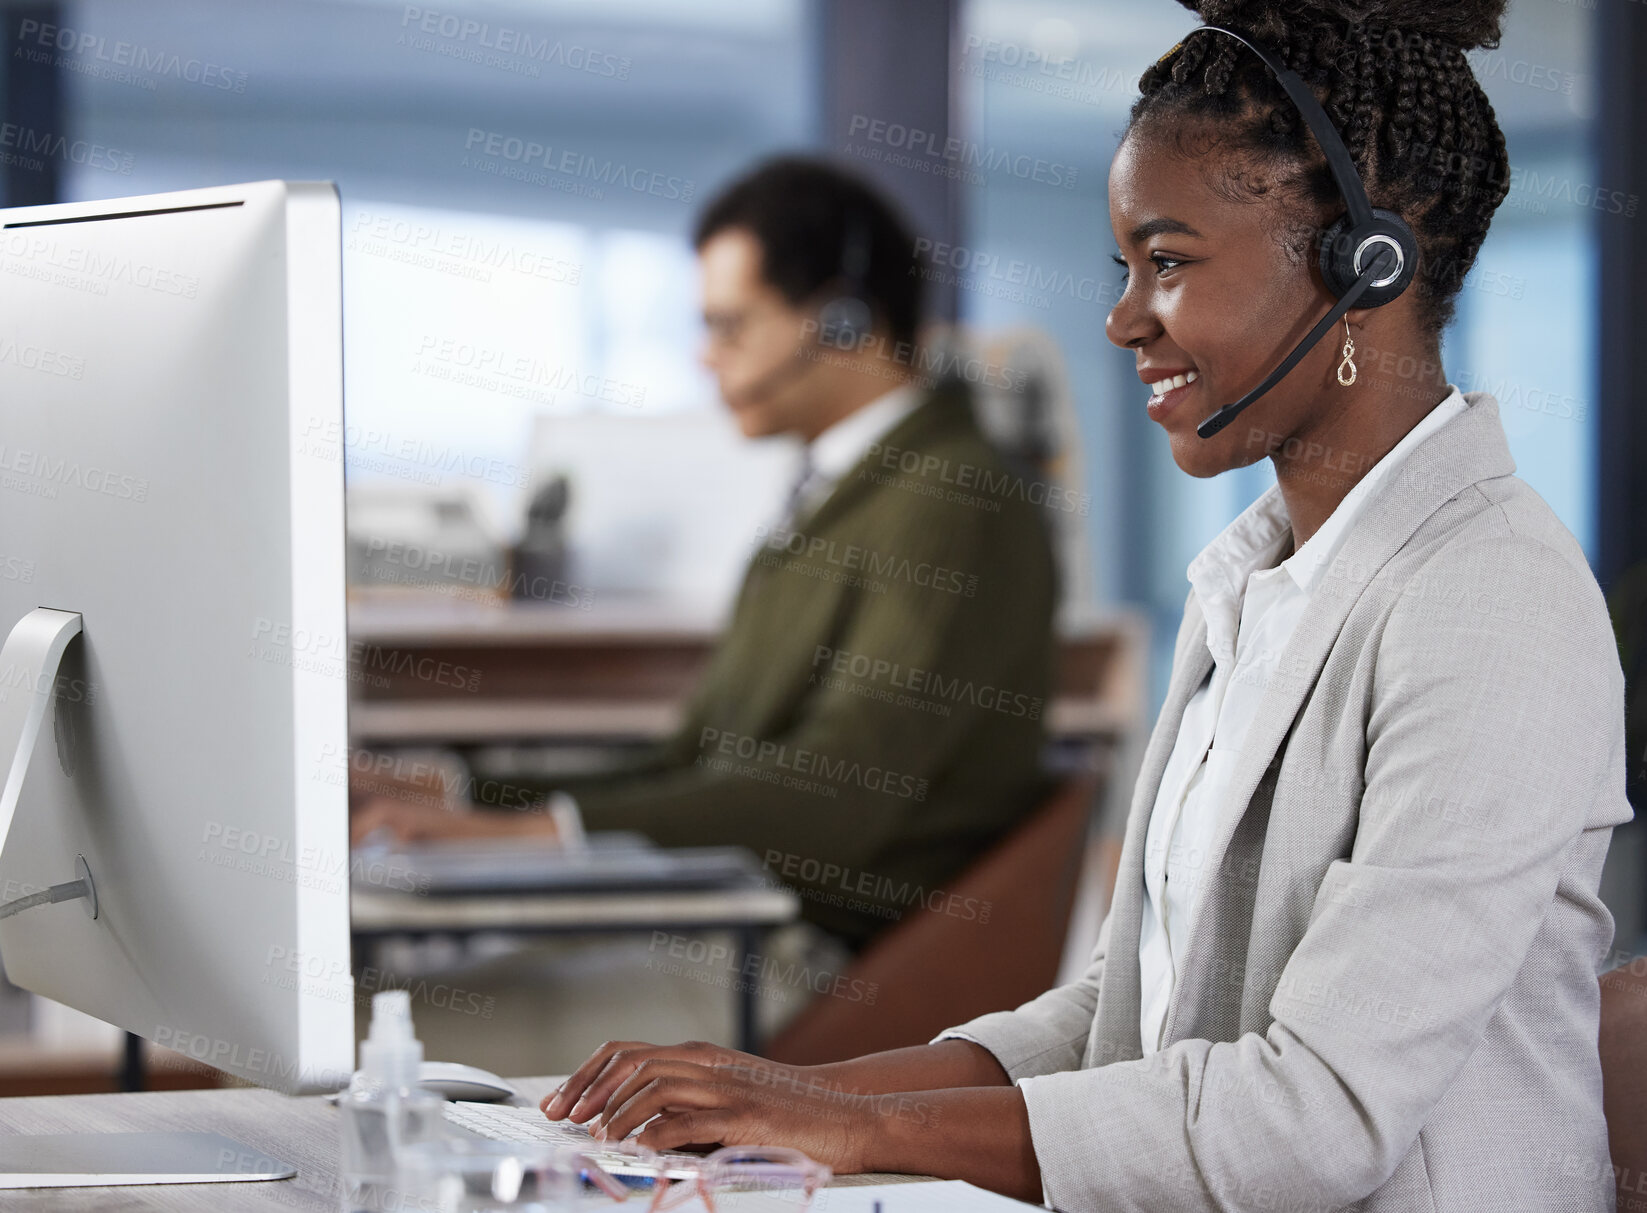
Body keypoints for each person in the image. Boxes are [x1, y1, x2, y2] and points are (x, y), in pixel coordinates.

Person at [537, 3, 1632, 1209]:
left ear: (1361, 264)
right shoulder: (1258, 585)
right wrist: (807, 1098)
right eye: (1125, 267)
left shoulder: (1490, 602)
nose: (1121, 319)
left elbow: (1315, 1118)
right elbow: (1125, 1009)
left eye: (1166, 262)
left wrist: (856, 1133)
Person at [351, 157, 1059, 953]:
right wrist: (457, 796)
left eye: (729, 326)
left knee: (386, 990)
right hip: (738, 911)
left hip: (808, 948)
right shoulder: (845, 486)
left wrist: (530, 833)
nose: (704, 357)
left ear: (843, 325)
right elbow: (690, 765)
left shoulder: (951, 501)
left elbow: (833, 800)